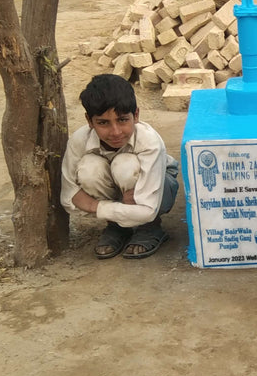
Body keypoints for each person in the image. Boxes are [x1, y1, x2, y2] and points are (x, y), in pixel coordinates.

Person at [61, 73, 179, 259]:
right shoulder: (79, 141)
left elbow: (148, 210)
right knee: (89, 169)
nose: (115, 132)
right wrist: (116, 207)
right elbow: (69, 195)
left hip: (160, 186)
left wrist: (94, 206)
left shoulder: (149, 141)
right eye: (103, 123)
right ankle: (116, 227)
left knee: (125, 165)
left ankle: (150, 229)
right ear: (89, 121)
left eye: (123, 120)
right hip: (122, 196)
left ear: (136, 115)